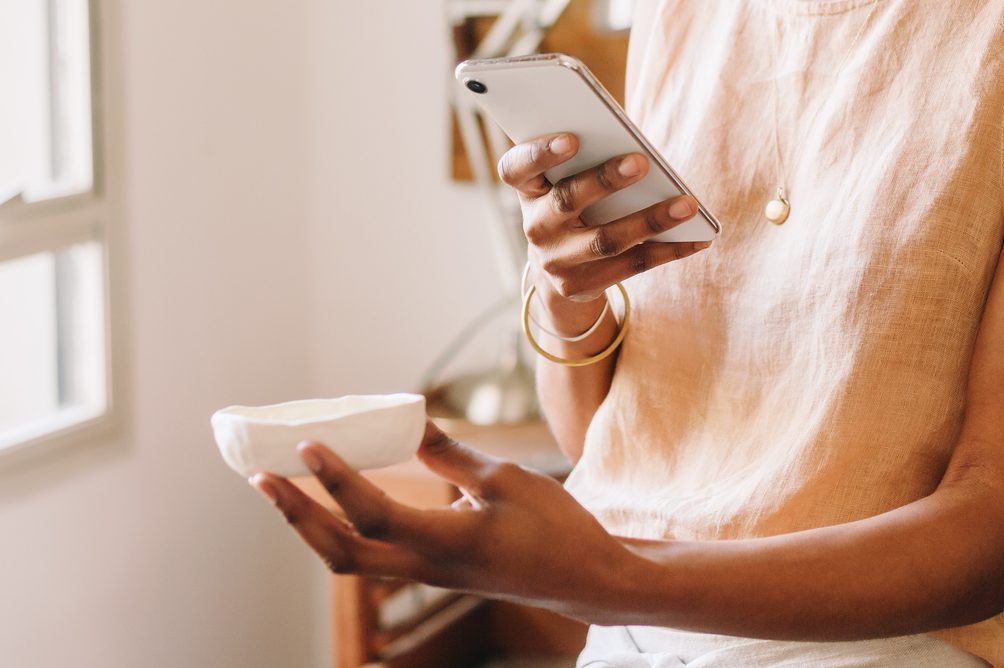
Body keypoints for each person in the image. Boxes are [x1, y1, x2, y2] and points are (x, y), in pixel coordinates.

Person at [250, 0, 1004, 665]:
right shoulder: (679, 13)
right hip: (624, 639)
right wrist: (563, 288)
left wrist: (613, 577)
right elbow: (598, 438)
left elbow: (989, 536)